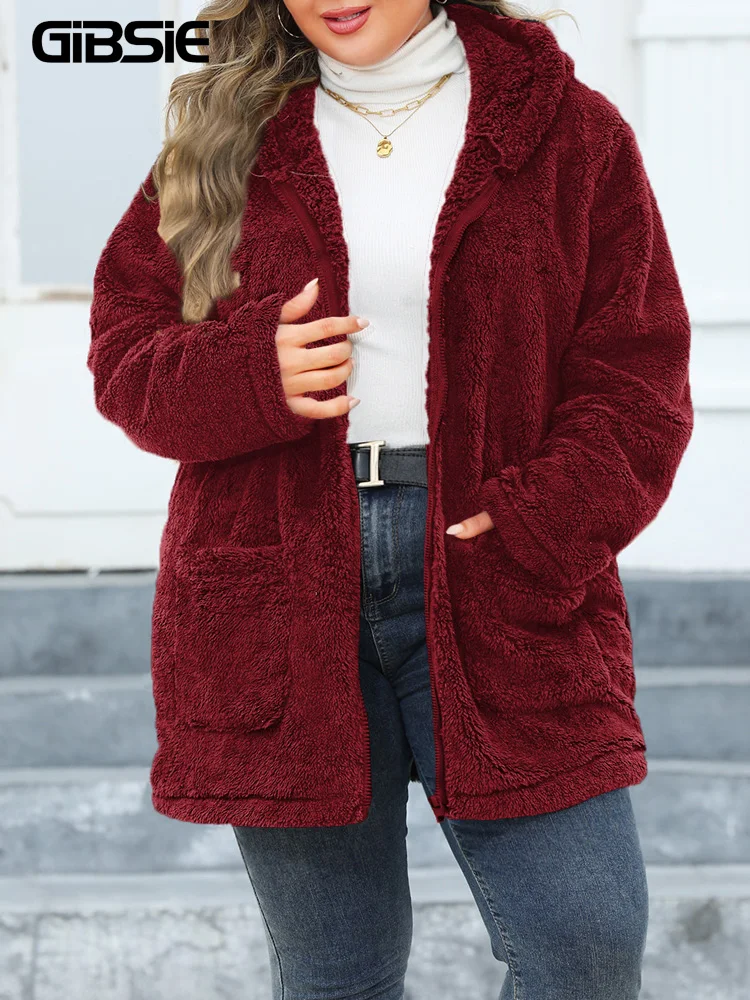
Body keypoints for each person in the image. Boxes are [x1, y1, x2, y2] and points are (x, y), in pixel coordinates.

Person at [86, 1, 694, 997]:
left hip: (498, 569)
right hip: (276, 586)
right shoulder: (229, 138)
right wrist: (252, 373)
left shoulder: (570, 134)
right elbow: (124, 357)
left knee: (585, 943)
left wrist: (538, 521)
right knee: (338, 975)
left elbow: (638, 375)